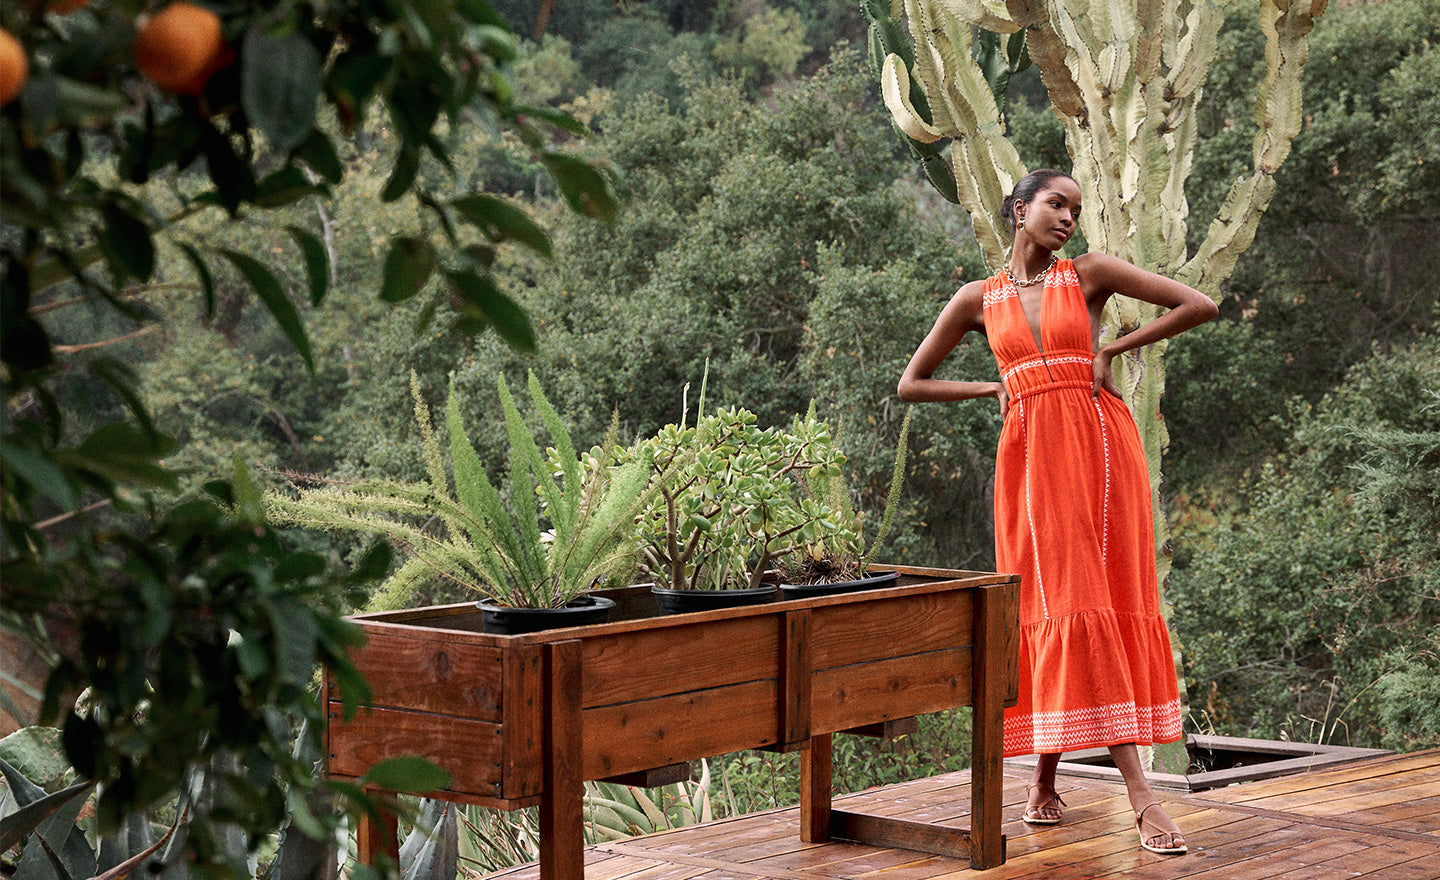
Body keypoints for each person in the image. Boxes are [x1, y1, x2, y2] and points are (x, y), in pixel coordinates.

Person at [897, 168, 1217, 855]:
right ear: (1019, 211)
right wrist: (993, 385)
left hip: (1101, 452)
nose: (1068, 217)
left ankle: (1139, 796)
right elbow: (911, 382)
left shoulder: (1090, 273)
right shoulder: (977, 299)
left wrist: (1112, 349)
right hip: (1029, 464)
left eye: (1076, 207)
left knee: (1095, 597)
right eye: (1055, 203)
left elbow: (1199, 304)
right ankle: (1046, 777)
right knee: (1051, 602)